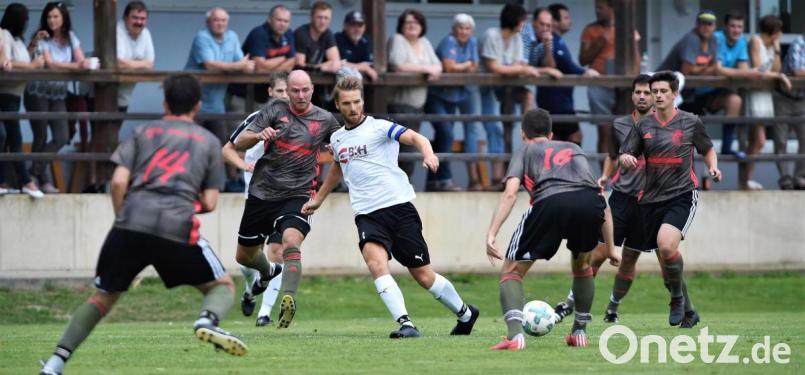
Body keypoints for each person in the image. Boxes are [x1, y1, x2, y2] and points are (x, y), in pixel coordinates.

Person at [38, 75, 243, 375]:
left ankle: (54, 366)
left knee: (102, 298)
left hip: (130, 222)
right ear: (198, 105)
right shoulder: (210, 143)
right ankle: (206, 320)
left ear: (164, 102)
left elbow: (119, 181)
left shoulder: (143, 132)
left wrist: (124, 217)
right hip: (176, 224)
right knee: (222, 286)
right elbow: (211, 202)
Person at [301, 76, 480, 338]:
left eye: (357, 101)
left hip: (398, 208)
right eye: (347, 103)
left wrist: (428, 154)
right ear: (338, 105)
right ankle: (406, 323)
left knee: (422, 275)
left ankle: (466, 313)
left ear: (363, 101)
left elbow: (416, 137)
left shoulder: (380, 127)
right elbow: (338, 167)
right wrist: (319, 198)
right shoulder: (338, 139)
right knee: (376, 263)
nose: (354, 107)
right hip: (366, 214)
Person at [486, 108, 609, 350]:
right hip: (588, 204)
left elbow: (510, 193)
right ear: (551, 134)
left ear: (523, 135)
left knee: (511, 270)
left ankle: (514, 337)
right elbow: (597, 191)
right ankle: (580, 332)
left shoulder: (525, 150)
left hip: (550, 201)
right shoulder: (575, 148)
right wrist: (610, 245)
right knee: (583, 266)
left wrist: (491, 233)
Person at [233, 70, 341, 329]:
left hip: (299, 193)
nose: (301, 95)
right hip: (262, 193)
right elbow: (239, 142)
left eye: (305, 90)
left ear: (312, 89)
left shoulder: (325, 119)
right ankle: (269, 272)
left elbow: (344, 145)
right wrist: (259, 135)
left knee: (290, 242)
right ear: (288, 91)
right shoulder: (273, 111)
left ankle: (288, 299)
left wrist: (336, 147)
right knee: (244, 257)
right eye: (295, 90)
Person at [619, 71, 721, 328]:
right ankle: (689, 310)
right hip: (651, 199)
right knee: (666, 261)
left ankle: (676, 299)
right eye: (655, 91)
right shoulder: (643, 125)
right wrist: (626, 160)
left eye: (663, 91)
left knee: (666, 247)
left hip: (683, 194)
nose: (658, 96)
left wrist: (713, 167)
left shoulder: (690, 122)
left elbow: (707, 149)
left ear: (675, 94)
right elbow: (625, 154)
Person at [221, 71, 289, 327]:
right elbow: (228, 149)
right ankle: (251, 289)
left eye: (289, 91)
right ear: (271, 92)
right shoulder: (256, 120)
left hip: (287, 198)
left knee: (277, 252)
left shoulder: (300, 122)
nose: (285, 96)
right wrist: (242, 164)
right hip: (257, 198)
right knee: (248, 257)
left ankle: (265, 314)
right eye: (280, 91)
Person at [478, 4, 558, 191]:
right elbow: (495, 67)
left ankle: (530, 135)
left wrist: (531, 69)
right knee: (494, 128)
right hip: (484, 88)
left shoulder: (516, 38)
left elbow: (518, 65)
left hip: (507, 87)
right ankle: (497, 177)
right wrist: (519, 68)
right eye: (523, 20)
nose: (525, 24)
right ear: (514, 20)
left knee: (505, 127)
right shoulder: (492, 35)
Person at [25, 1, 94, 194]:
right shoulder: (42, 37)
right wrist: (77, 66)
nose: (52, 20)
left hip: (58, 93)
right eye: (49, 17)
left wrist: (81, 64)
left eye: (55, 16)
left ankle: (32, 173)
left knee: (62, 136)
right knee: (41, 136)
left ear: (63, 18)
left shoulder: (71, 37)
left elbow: (81, 60)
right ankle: (44, 182)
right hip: (37, 91)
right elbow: (51, 64)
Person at [424, 13, 479, 192]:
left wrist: (460, 66)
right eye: (460, 28)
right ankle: (444, 179)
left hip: (453, 95)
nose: (464, 31)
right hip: (436, 96)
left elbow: (475, 67)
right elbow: (449, 66)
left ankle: (434, 181)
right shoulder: (448, 41)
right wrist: (465, 66)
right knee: (446, 134)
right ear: (454, 29)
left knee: (444, 137)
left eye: (467, 28)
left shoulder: (472, 42)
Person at [186, 7, 254, 145]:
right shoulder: (202, 37)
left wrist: (242, 66)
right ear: (208, 22)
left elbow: (245, 66)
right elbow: (210, 66)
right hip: (194, 103)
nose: (220, 23)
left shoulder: (232, 37)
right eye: (216, 20)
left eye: (223, 20)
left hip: (216, 105)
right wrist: (239, 66)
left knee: (222, 144)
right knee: (191, 144)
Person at [580, 0, 640, 158]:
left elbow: (636, 61)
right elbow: (583, 59)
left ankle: (623, 177)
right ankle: (604, 179)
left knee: (624, 131)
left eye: (601, 7)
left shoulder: (625, 28)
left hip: (623, 87)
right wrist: (600, 41)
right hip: (599, 84)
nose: (597, 11)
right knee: (604, 131)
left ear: (611, 8)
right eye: (596, 8)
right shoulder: (590, 29)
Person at [387, 9, 442, 179]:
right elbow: (398, 65)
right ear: (402, 26)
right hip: (399, 105)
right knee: (402, 151)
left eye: (416, 22)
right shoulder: (397, 39)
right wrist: (427, 69)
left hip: (418, 106)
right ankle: (398, 190)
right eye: (408, 22)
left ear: (422, 26)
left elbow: (438, 65)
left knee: (411, 151)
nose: (412, 25)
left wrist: (435, 69)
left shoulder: (424, 42)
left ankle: (405, 188)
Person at [534, 7, 599, 146]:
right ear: (555, 22)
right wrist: (584, 72)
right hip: (556, 102)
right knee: (574, 137)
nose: (570, 21)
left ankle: (558, 167)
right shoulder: (553, 42)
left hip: (560, 99)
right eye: (566, 18)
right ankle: (572, 168)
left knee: (557, 139)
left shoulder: (557, 41)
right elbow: (566, 65)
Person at [0, 3, 44, 198]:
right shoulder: (3, 34)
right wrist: (33, 66)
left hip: (16, 95)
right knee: (14, 139)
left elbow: (19, 59)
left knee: (7, 139)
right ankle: (27, 181)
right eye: (25, 20)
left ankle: (2, 181)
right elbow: (6, 62)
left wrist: (33, 44)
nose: (27, 24)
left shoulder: (16, 39)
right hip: (5, 94)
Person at [743, 15, 791, 190]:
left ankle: (747, 179)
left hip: (765, 94)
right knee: (759, 140)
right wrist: (779, 76)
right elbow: (759, 70)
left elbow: (776, 69)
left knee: (754, 140)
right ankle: (746, 179)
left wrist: (777, 50)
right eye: (779, 31)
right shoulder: (756, 41)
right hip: (754, 93)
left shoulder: (771, 45)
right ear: (774, 31)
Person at [226, 4, 295, 111]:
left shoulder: (289, 33)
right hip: (241, 93)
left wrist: (271, 66)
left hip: (264, 95)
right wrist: (282, 59)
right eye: (279, 20)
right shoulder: (258, 33)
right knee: (239, 126)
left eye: (286, 21)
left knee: (262, 126)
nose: (282, 24)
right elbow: (260, 67)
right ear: (269, 19)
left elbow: (292, 62)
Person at [713, 11, 752, 157]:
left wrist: (748, 72)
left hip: (717, 90)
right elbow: (718, 69)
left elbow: (743, 68)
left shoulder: (741, 41)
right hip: (697, 90)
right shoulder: (716, 37)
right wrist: (747, 72)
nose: (736, 30)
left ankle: (727, 147)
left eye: (740, 27)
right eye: (733, 26)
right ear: (725, 26)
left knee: (735, 101)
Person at [294, 1, 341, 110]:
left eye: (326, 18)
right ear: (311, 17)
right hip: (299, 85)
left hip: (319, 85)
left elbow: (335, 62)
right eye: (319, 17)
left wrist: (320, 66)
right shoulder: (301, 33)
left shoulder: (327, 33)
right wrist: (322, 67)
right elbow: (299, 64)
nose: (323, 21)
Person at [773, 34, 805, 190]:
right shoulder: (798, 43)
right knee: (781, 140)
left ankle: (800, 178)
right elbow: (798, 71)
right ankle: (785, 180)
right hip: (784, 98)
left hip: (802, 100)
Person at [335, 10, 378, 81]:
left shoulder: (365, 40)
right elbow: (338, 64)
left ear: (364, 27)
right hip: (337, 85)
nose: (357, 29)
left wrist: (364, 67)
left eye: (360, 25)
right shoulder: (338, 39)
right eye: (353, 24)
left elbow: (368, 64)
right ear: (345, 26)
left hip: (364, 85)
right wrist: (364, 68)